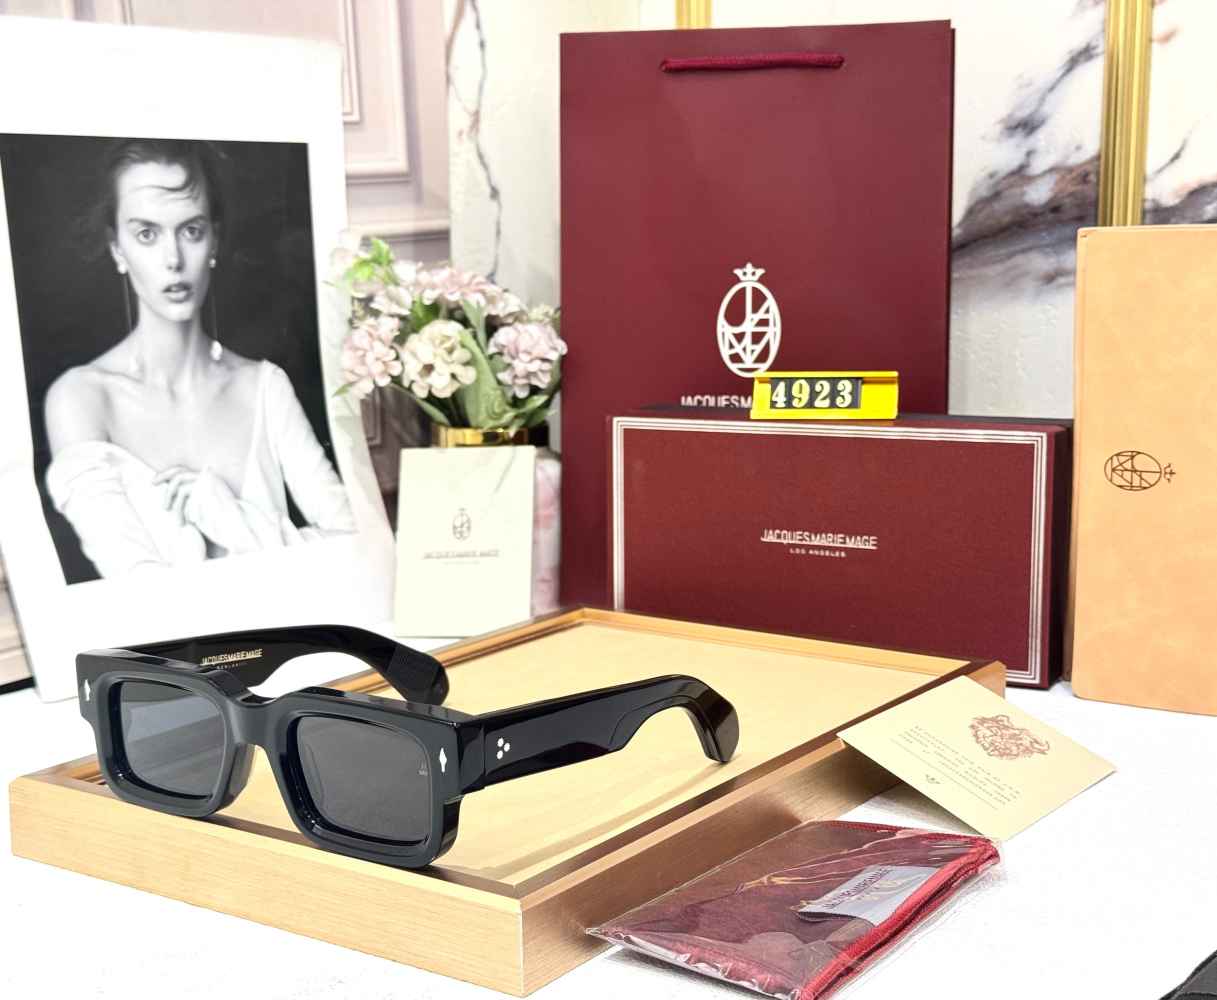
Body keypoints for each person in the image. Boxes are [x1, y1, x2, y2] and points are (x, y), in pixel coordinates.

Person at [43, 139, 355, 579]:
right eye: (147, 234)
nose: (173, 259)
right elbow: (136, 589)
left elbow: (353, 545)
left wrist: (233, 520)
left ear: (214, 240)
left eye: (190, 230)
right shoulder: (80, 399)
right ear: (117, 249)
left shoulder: (264, 387)